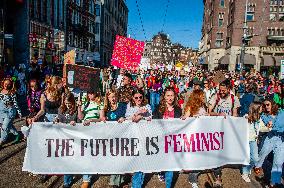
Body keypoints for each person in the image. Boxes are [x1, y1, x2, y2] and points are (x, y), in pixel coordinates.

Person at [208, 80, 240, 187]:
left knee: (223, 151)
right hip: (216, 128)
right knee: (218, 151)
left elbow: (234, 114)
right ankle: (218, 177)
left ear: (229, 90)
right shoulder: (215, 97)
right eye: (220, 90)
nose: (221, 92)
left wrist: (234, 122)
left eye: (223, 90)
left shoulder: (233, 98)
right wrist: (218, 114)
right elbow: (209, 112)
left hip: (227, 129)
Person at [152, 87, 182, 188]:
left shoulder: (178, 110)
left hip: (172, 141)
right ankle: (161, 171)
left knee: (170, 164)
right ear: (164, 97)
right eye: (168, 95)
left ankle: (168, 185)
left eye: (172, 95)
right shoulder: (158, 109)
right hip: (160, 141)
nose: (170, 98)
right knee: (161, 161)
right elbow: (154, 123)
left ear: (175, 97)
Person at [77, 88, 104, 188]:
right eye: (89, 92)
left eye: (92, 92)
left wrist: (91, 120)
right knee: (85, 153)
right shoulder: (85, 103)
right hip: (84, 129)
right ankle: (86, 179)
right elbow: (80, 117)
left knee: (92, 152)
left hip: (94, 129)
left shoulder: (99, 103)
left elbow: (101, 118)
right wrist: (79, 107)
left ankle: (90, 174)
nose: (90, 94)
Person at [181, 89, 207, 188]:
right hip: (193, 135)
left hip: (202, 134)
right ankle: (192, 178)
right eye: (202, 96)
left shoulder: (203, 105)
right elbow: (185, 119)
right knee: (195, 157)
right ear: (197, 96)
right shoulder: (190, 107)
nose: (204, 97)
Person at [103, 89, 128, 187]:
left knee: (120, 157)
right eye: (110, 97)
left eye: (114, 96)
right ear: (108, 98)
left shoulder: (122, 105)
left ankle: (116, 181)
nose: (112, 99)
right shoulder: (107, 109)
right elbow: (102, 119)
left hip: (123, 134)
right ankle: (117, 179)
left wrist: (124, 118)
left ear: (116, 97)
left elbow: (129, 115)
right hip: (112, 135)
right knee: (114, 157)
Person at [241, 102, 270, 183]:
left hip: (253, 141)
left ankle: (247, 169)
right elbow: (240, 126)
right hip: (245, 140)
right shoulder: (246, 117)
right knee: (247, 157)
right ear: (256, 108)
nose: (262, 109)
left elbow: (262, 128)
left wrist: (269, 128)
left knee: (255, 158)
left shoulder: (259, 118)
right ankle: (245, 173)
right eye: (261, 108)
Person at [54, 93, 79, 188]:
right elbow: (59, 119)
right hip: (64, 137)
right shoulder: (61, 109)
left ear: (73, 102)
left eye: (69, 103)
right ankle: (67, 181)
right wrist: (56, 120)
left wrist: (75, 122)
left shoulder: (76, 110)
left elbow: (80, 120)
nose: (68, 105)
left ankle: (68, 179)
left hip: (74, 137)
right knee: (66, 159)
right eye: (66, 103)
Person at [0, 78, 22, 148]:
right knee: (8, 125)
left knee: (5, 127)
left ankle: (1, 142)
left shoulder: (12, 92)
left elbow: (15, 103)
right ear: (3, 83)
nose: (6, 85)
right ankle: (17, 134)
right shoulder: (0, 91)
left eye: (8, 84)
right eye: (5, 83)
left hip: (10, 111)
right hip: (1, 111)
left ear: (11, 85)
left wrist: (19, 112)